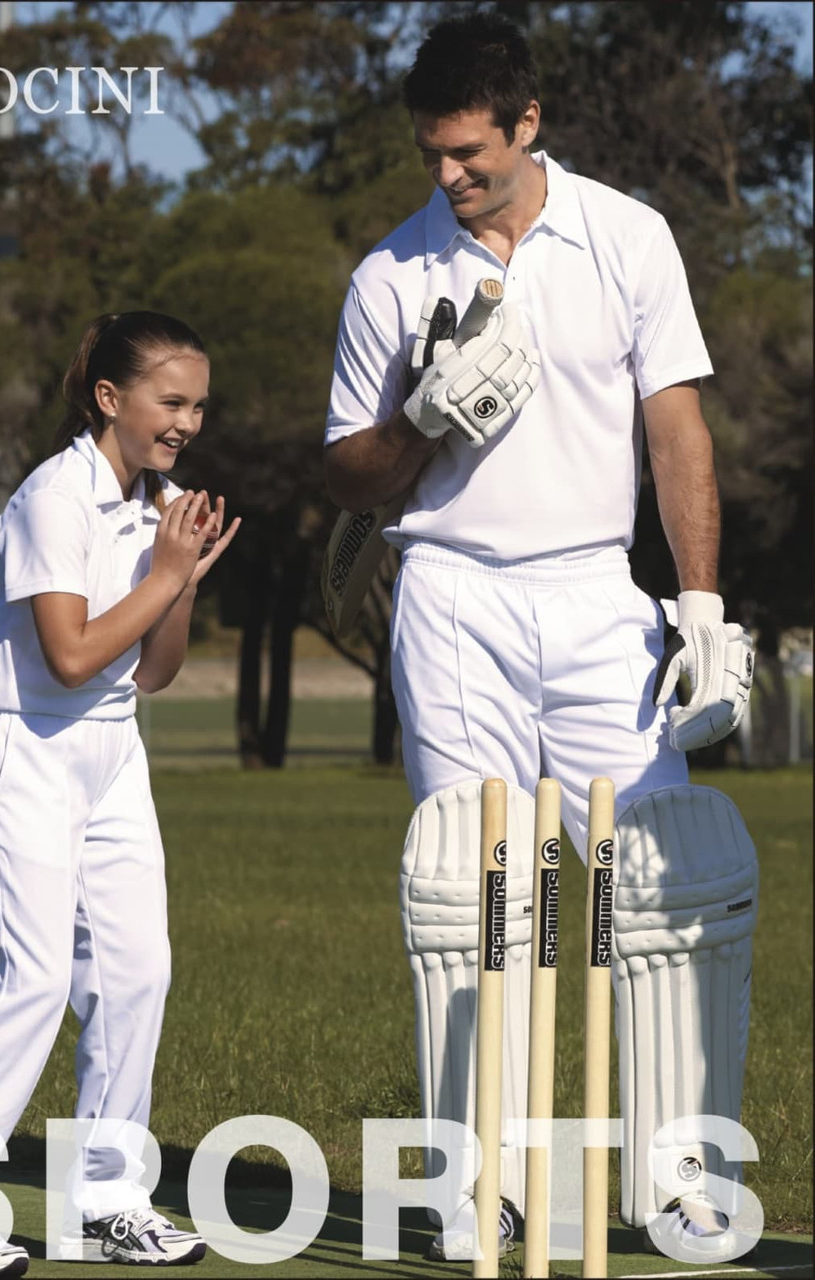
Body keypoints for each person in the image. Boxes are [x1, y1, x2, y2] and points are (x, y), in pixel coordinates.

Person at [324, 12, 757, 1266]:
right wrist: (419, 422)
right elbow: (355, 475)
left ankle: (680, 1183)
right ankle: (487, 1188)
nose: (448, 177)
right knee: (477, 895)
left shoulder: (628, 236)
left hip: (593, 593)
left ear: (527, 125)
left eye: (470, 154)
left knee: (657, 891)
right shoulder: (391, 274)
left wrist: (704, 604)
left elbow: (676, 430)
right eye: (433, 156)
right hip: (450, 593)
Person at [0, 311, 240, 1277]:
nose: (187, 423)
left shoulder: (153, 506)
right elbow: (73, 652)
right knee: (29, 980)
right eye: (172, 402)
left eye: (199, 406)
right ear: (109, 399)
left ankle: (107, 1201)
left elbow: (151, 674)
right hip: (22, 747)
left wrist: (184, 582)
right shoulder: (53, 496)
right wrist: (163, 572)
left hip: (110, 747)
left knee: (137, 972)